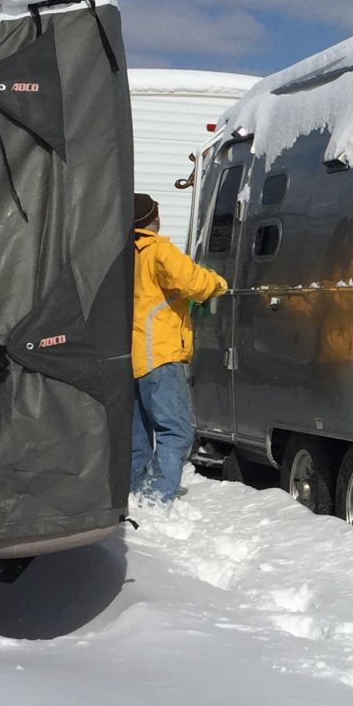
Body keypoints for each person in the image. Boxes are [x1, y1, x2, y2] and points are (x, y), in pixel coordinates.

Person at [130, 192, 228, 503]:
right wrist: (219, 284)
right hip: (159, 355)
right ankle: (157, 499)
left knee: (138, 436)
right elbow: (195, 282)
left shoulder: (123, 254)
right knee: (176, 431)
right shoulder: (158, 250)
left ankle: (133, 494)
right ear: (154, 219)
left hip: (130, 358)